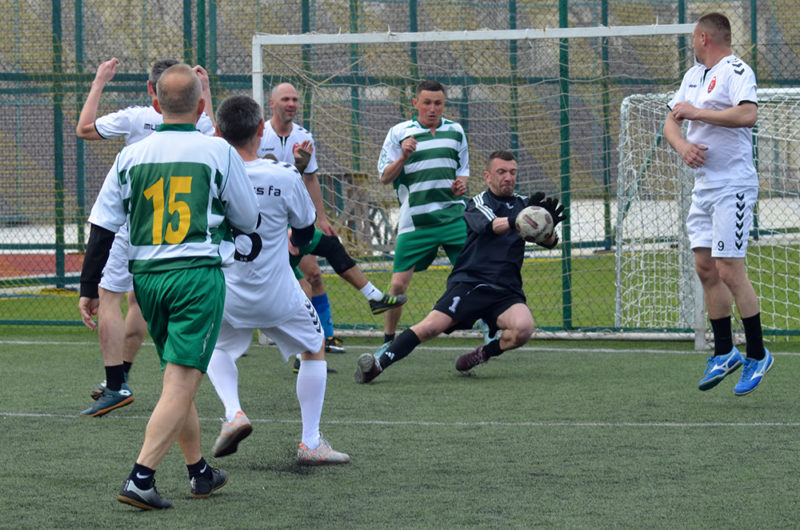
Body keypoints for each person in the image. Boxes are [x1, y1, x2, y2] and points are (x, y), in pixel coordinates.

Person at [78, 64, 259, 509]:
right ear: (201, 106)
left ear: (156, 105)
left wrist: (88, 287)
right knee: (181, 382)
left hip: (148, 280)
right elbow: (248, 218)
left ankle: (199, 472)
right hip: (195, 277)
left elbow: (102, 227)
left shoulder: (130, 156)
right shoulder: (218, 151)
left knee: (177, 378)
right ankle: (141, 478)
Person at [205, 95, 350, 465]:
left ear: (219, 133)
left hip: (227, 291)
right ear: (260, 129)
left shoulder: (210, 175)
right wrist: (292, 242)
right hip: (277, 292)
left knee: (215, 349)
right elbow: (304, 229)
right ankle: (310, 442)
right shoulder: (283, 175)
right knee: (314, 346)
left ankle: (234, 412)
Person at [75, 57, 217, 417]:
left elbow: (84, 129)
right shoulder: (199, 123)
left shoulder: (136, 118)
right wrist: (207, 93)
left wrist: (99, 81)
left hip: (133, 224)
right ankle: (130, 374)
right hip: (176, 229)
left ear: (152, 91)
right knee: (140, 301)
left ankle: (116, 383)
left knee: (108, 297)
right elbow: (220, 146)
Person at [354, 150, 565, 383]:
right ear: (487, 176)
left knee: (523, 329)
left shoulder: (525, 206)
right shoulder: (478, 203)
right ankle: (377, 366)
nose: (508, 177)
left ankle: (483, 353)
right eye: (501, 172)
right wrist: (521, 218)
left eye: (513, 172)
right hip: (470, 283)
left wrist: (546, 227)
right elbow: (492, 226)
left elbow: (550, 242)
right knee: (430, 327)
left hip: (506, 290)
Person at [663, 12, 774, 396]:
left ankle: (758, 354)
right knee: (706, 267)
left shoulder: (736, 70)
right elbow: (671, 122)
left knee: (729, 268)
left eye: (693, 38)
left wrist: (698, 113)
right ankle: (725, 351)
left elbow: (747, 114)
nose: (692, 44)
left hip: (733, 185)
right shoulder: (692, 76)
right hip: (705, 187)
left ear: (703, 38)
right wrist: (683, 146)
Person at [377, 80, 470, 345]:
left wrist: (461, 184)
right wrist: (403, 157)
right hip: (415, 222)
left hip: (453, 218)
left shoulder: (455, 131)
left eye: (438, 103)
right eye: (427, 103)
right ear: (415, 103)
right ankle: (388, 341)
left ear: (444, 104)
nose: (432, 108)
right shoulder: (399, 132)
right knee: (398, 286)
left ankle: (489, 329)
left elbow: (462, 170)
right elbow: (384, 177)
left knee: (476, 275)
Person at [260, 82, 348, 354]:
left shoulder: (304, 136)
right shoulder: (259, 135)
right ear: (272, 103)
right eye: (285, 99)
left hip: (296, 220)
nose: (291, 104)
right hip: (266, 222)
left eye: (295, 99)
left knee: (313, 274)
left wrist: (321, 218)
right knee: (281, 278)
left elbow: (310, 179)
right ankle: (299, 338)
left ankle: (324, 337)